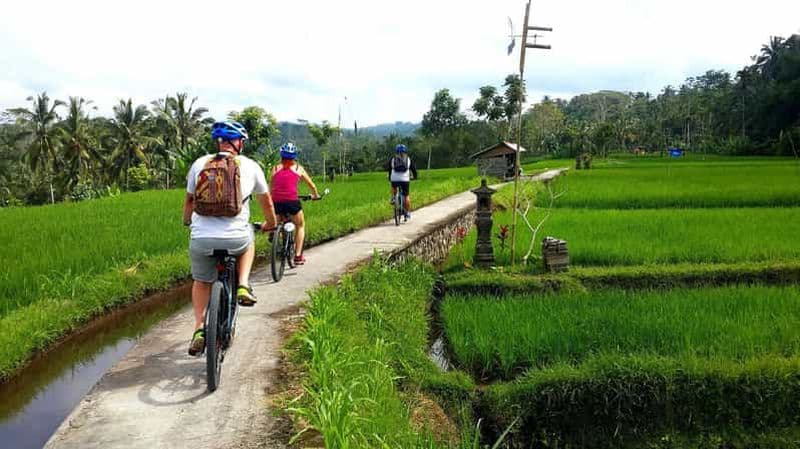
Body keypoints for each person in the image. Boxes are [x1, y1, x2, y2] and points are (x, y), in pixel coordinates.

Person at [182, 120, 277, 356]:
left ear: (219, 142)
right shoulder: (251, 166)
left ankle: (199, 329)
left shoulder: (199, 164)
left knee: (202, 281)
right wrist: (271, 224)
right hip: (236, 237)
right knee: (248, 242)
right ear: (239, 143)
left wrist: (187, 221)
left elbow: (189, 202)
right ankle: (243, 284)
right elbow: (267, 202)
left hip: (202, 238)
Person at [269, 142, 321, 265]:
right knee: (300, 225)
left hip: (277, 202)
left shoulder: (275, 168)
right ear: (294, 157)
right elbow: (311, 185)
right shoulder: (299, 168)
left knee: (277, 223)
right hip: (292, 202)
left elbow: (271, 187)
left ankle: (275, 234)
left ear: (281, 155)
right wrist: (315, 195)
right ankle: (298, 256)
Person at [387, 144, 418, 220]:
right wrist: (415, 177)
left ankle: (393, 197)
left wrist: (389, 177)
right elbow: (413, 169)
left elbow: (389, 169)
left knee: (393, 186)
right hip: (405, 179)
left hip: (395, 178)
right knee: (406, 196)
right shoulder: (408, 159)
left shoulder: (393, 159)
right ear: (405, 151)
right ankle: (407, 213)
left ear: (396, 151)